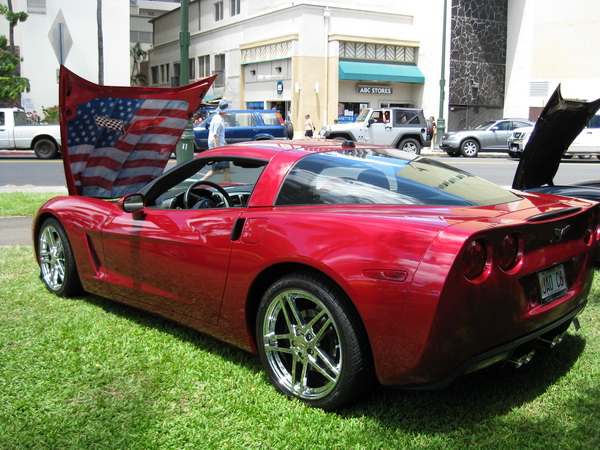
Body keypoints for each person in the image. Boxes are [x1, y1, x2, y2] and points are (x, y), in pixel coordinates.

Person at [202, 100, 231, 181]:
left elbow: (218, 135)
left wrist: (225, 143)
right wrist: (217, 150)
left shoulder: (216, 117)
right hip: (219, 148)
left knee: (222, 169)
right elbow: (215, 136)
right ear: (224, 111)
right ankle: (226, 185)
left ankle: (226, 184)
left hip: (220, 146)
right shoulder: (218, 121)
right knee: (219, 170)